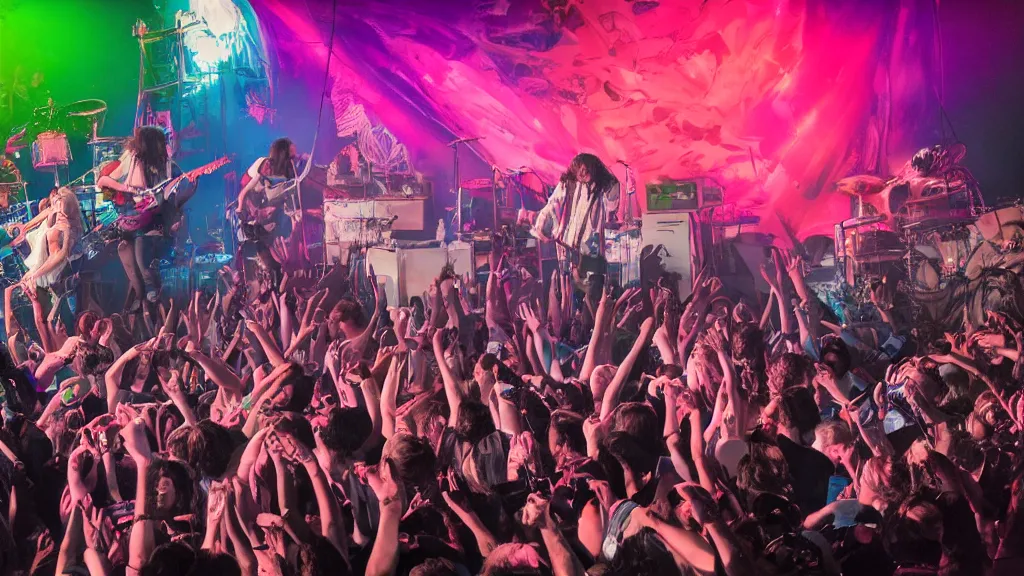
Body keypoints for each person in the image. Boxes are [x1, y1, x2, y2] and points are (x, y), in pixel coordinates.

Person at [96, 126, 190, 313]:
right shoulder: (133, 160)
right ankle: (141, 302)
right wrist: (126, 190)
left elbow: (180, 194)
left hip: (153, 225)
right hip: (130, 221)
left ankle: (153, 301)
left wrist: (178, 209)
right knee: (130, 264)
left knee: (143, 262)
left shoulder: (168, 166)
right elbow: (103, 183)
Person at [521, 153, 620, 286]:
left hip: (592, 248)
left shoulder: (606, 186)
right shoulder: (568, 184)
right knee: (571, 287)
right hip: (568, 247)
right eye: (578, 170)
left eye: (584, 169)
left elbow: (611, 208)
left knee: (593, 287)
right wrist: (539, 222)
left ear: (593, 168)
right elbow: (553, 204)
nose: (581, 174)